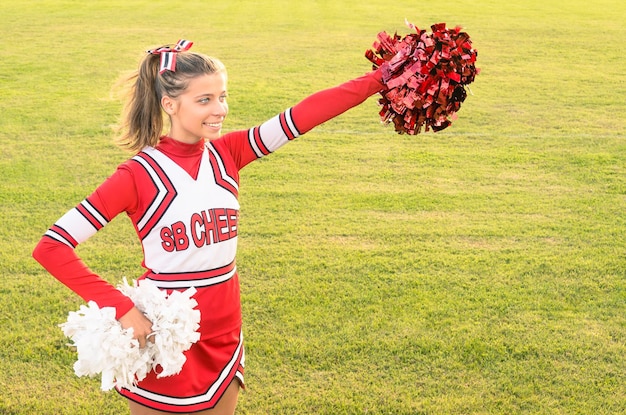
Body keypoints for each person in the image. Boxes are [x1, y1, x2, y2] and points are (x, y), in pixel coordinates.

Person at [33, 39, 385, 415]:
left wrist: (382, 78)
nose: (220, 110)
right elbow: (51, 246)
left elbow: (303, 115)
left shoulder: (228, 154)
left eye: (222, 97)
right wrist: (121, 307)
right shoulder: (138, 174)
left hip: (224, 332)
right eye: (205, 100)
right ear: (170, 104)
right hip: (165, 336)